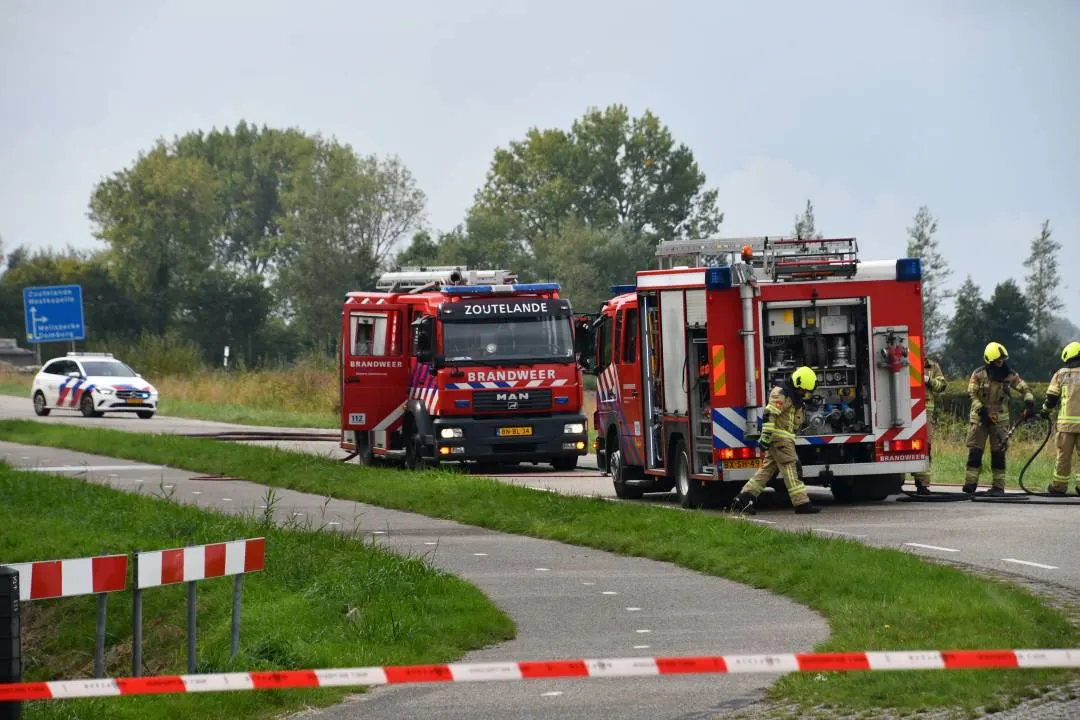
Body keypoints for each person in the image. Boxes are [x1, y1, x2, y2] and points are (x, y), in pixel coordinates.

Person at [730, 366, 821, 515]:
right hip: (780, 439)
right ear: (798, 383)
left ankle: (743, 499)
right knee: (791, 469)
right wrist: (765, 437)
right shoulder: (781, 394)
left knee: (766, 470)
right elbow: (769, 415)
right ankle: (802, 503)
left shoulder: (793, 395)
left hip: (784, 439)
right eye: (803, 390)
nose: (804, 394)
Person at [964, 341, 1035, 496]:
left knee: (998, 455)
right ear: (990, 361)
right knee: (975, 453)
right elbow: (972, 394)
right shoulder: (978, 374)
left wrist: (1029, 401)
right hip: (980, 419)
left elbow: (1024, 387)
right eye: (997, 361)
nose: (1001, 363)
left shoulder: (1009, 374)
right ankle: (970, 485)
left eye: (1002, 360)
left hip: (1000, 421)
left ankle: (998, 487)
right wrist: (981, 411)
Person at [1041, 341, 1080, 496]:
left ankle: (1059, 487)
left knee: (1063, 456)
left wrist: (1044, 411)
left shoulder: (1061, 374)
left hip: (1066, 426)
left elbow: (1051, 398)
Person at [912, 354, 948, 495]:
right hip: (907, 409)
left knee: (925, 446)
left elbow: (942, 386)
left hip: (925, 411)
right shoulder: (908, 362)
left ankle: (922, 483)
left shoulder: (932, 366)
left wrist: (928, 380)